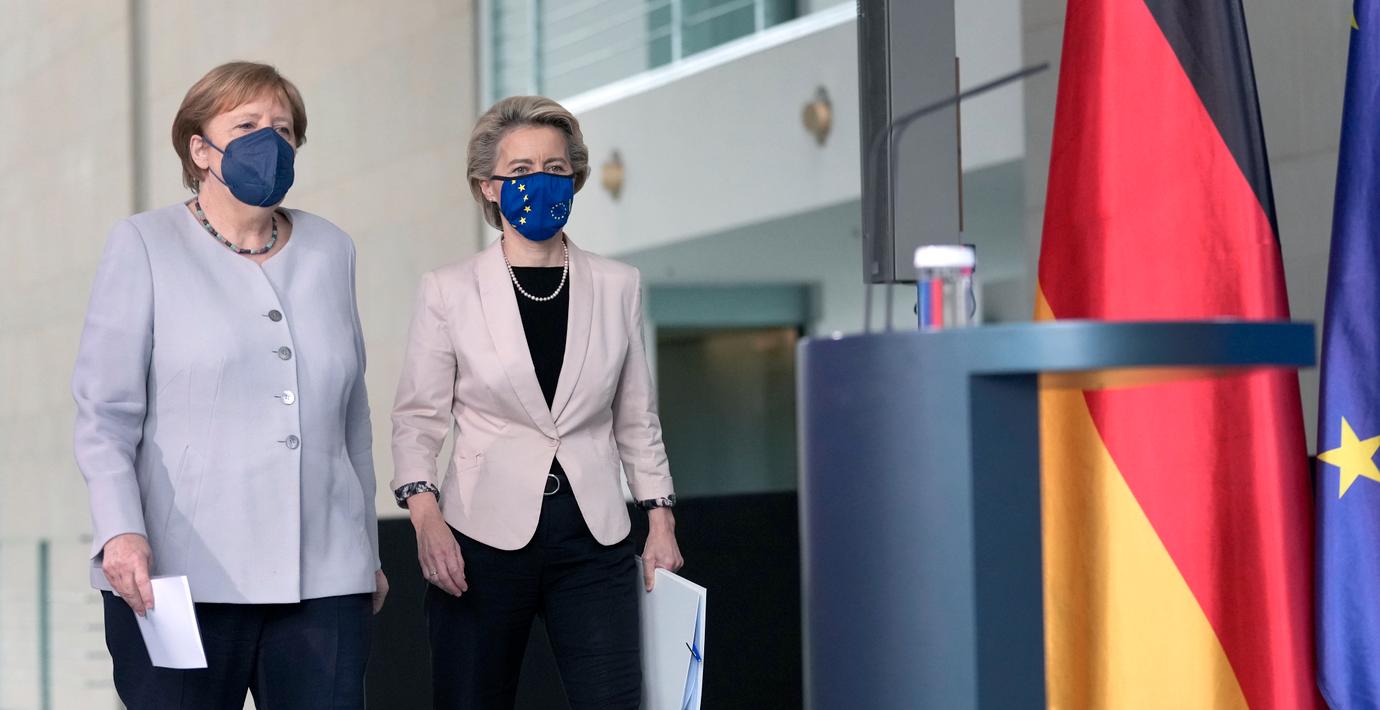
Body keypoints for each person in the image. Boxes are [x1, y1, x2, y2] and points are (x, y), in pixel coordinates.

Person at [71, 61, 386, 710]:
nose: (269, 140)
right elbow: (105, 415)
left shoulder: (332, 250)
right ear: (199, 149)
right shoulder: (144, 243)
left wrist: (366, 552)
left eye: (283, 128)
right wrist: (119, 531)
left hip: (325, 577)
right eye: (246, 125)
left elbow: (351, 419)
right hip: (177, 576)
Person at [391, 95, 684, 709]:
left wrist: (660, 521)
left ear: (574, 179)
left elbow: (637, 417)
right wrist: (426, 519)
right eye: (521, 171)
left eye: (555, 168)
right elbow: (417, 419)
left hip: (594, 537)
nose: (541, 182)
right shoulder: (449, 290)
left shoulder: (618, 284)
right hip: (479, 537)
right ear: (488, 186)